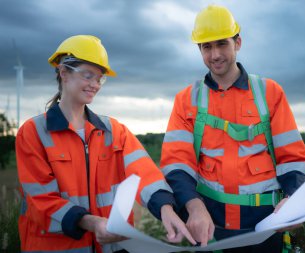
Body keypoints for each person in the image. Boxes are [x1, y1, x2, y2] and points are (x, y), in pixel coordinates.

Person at [16, 35, 195, 253]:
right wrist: (90, 222)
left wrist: (166, 209)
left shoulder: (113, 131)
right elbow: (40, 201)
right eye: (88, 76)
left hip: (112, 247)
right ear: (64, 73)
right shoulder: (34, 132)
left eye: (99, 79)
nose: (95, 85)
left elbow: (145, 174)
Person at [160, 5, 305, 253]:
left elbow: (294, 159)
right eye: (206, 47)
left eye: (222, 44)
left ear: (238, 43)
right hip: (210, 227)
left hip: (266, 226)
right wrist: (193, 206)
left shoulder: (269, 93)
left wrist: (293, 199)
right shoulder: (186, 100)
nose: (215, 54)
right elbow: (176, 163)